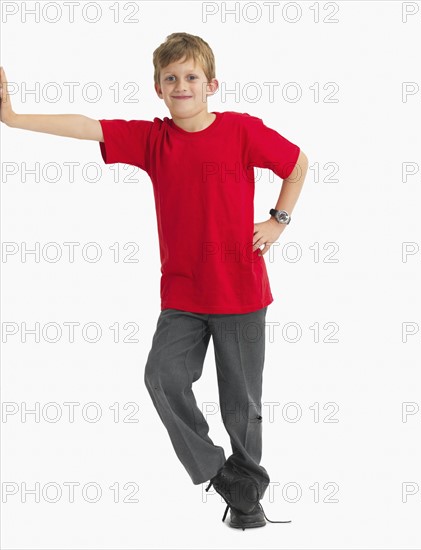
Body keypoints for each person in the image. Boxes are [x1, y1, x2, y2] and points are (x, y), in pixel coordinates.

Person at [0, 32, 308, 530]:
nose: (181, 85)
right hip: (184, 296)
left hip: (241, 292)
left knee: (242, 405)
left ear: (211, 84)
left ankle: (248, 501)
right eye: (171, 79)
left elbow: (297, 164)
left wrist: (278, 220)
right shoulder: (154, 138)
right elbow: (88, 126)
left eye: (190, 77)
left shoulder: (241, 131)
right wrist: (13, 118)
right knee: (161, 376)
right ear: (158, 89)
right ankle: (224, 475)